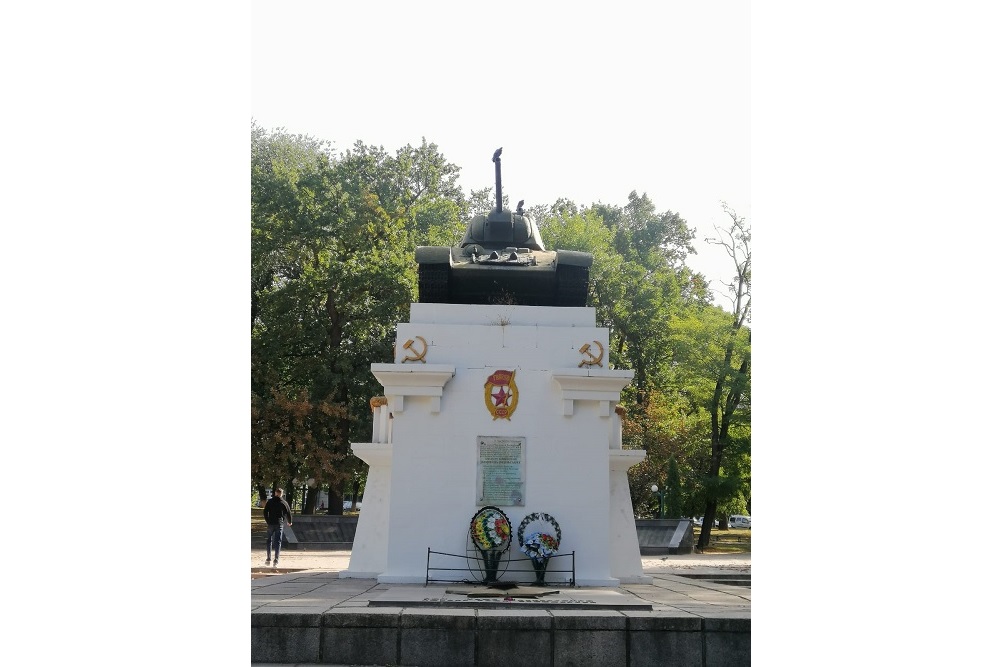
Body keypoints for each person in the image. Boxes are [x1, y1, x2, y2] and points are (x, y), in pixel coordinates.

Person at [262, 487, 293, 568]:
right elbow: (288, 513)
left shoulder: (270, 501)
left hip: (271, 523)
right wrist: (289, 521)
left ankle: (268, 559)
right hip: (279, 523)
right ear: (282, 494)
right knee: (278, 542)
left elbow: (265, 512)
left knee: (269, 541)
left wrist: (267, 521)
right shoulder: (284, 502)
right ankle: (276, 560)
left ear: (275, 493)